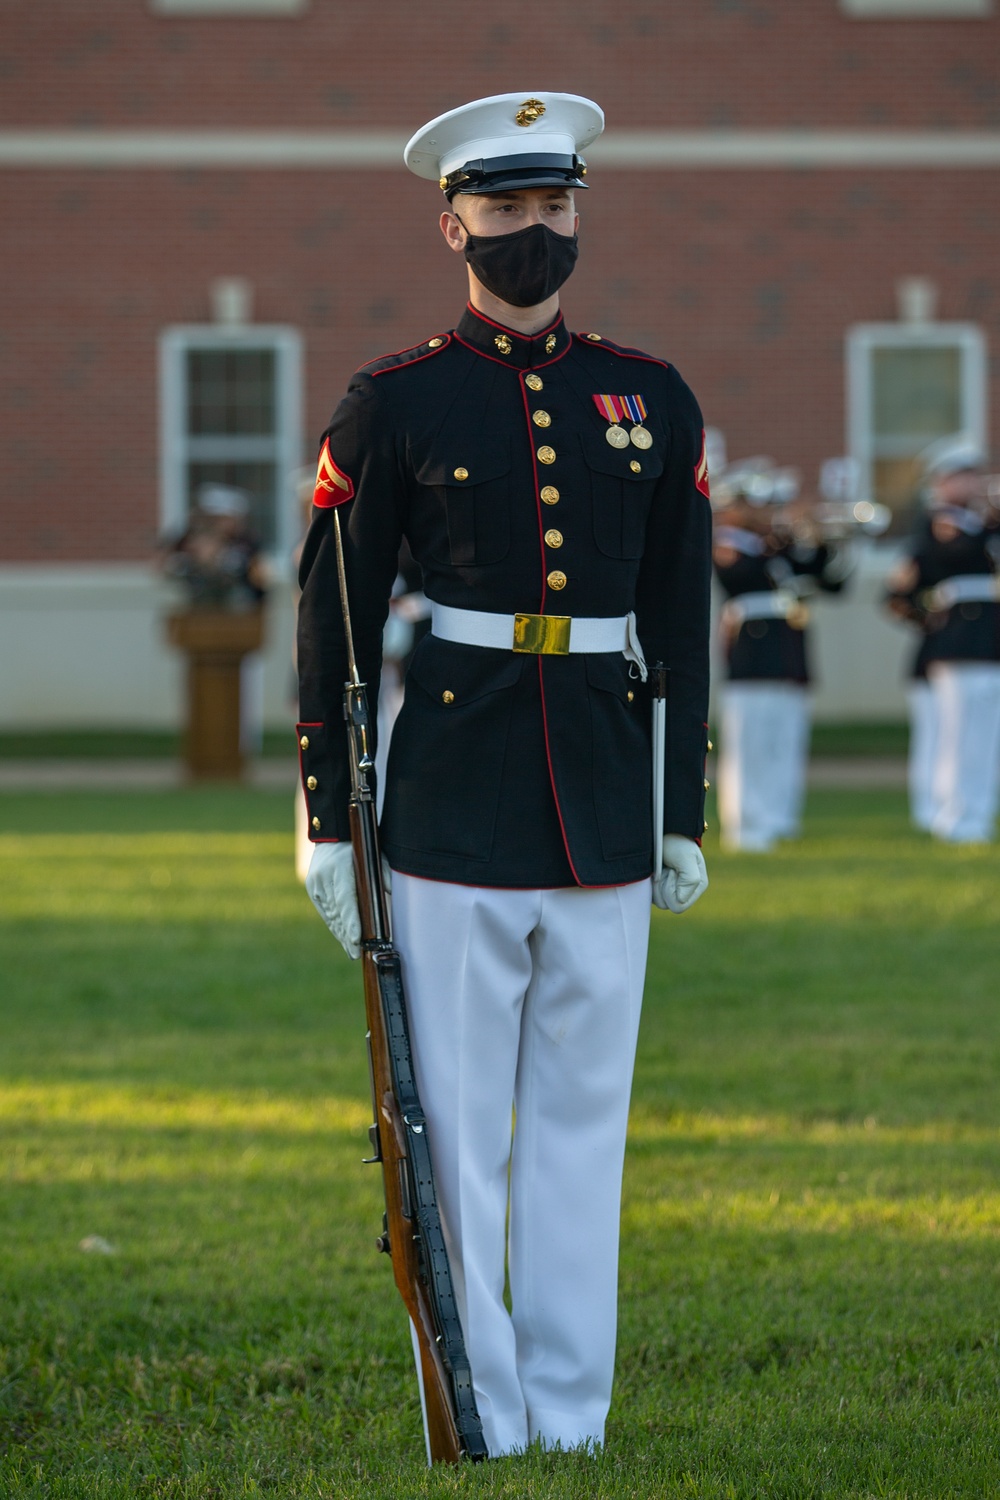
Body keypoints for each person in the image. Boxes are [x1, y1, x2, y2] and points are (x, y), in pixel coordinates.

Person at [296, 91, 711, 1458]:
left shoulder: (650, 396)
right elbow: (334, 619)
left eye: (555, 207)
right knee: (456, 1135)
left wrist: (677, 809)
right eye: (506, 208)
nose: (533, 231)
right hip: (454, 800)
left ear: (578, 214)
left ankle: (575, 1421)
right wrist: (323, 816)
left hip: (599, 786)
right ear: (452, 221)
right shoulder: (396, 400)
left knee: (584, 1130)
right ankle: (487, 1417)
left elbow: (676, 615)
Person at [712, 459, 854, 851]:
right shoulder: (730, 542)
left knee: (785, 741)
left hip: (789, 652)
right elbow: (744, 576)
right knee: (751, 744)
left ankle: (780, 819)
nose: (770, 513)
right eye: (761, 504)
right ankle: (747, 827)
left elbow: (831, 582)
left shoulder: (781, 544)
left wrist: (826, 538)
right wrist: (786, 537)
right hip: (752, 654)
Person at [884, 435, 1000, 843]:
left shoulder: (982, 522)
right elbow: (945, 561)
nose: (974, 483)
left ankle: (978, 817)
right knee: (959, 735)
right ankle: (955, 818)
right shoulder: (940, 522)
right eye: (963, 476)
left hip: (988, 638)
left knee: (985, 738)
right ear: (941, 481)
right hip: (959, 639)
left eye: (975, 474)